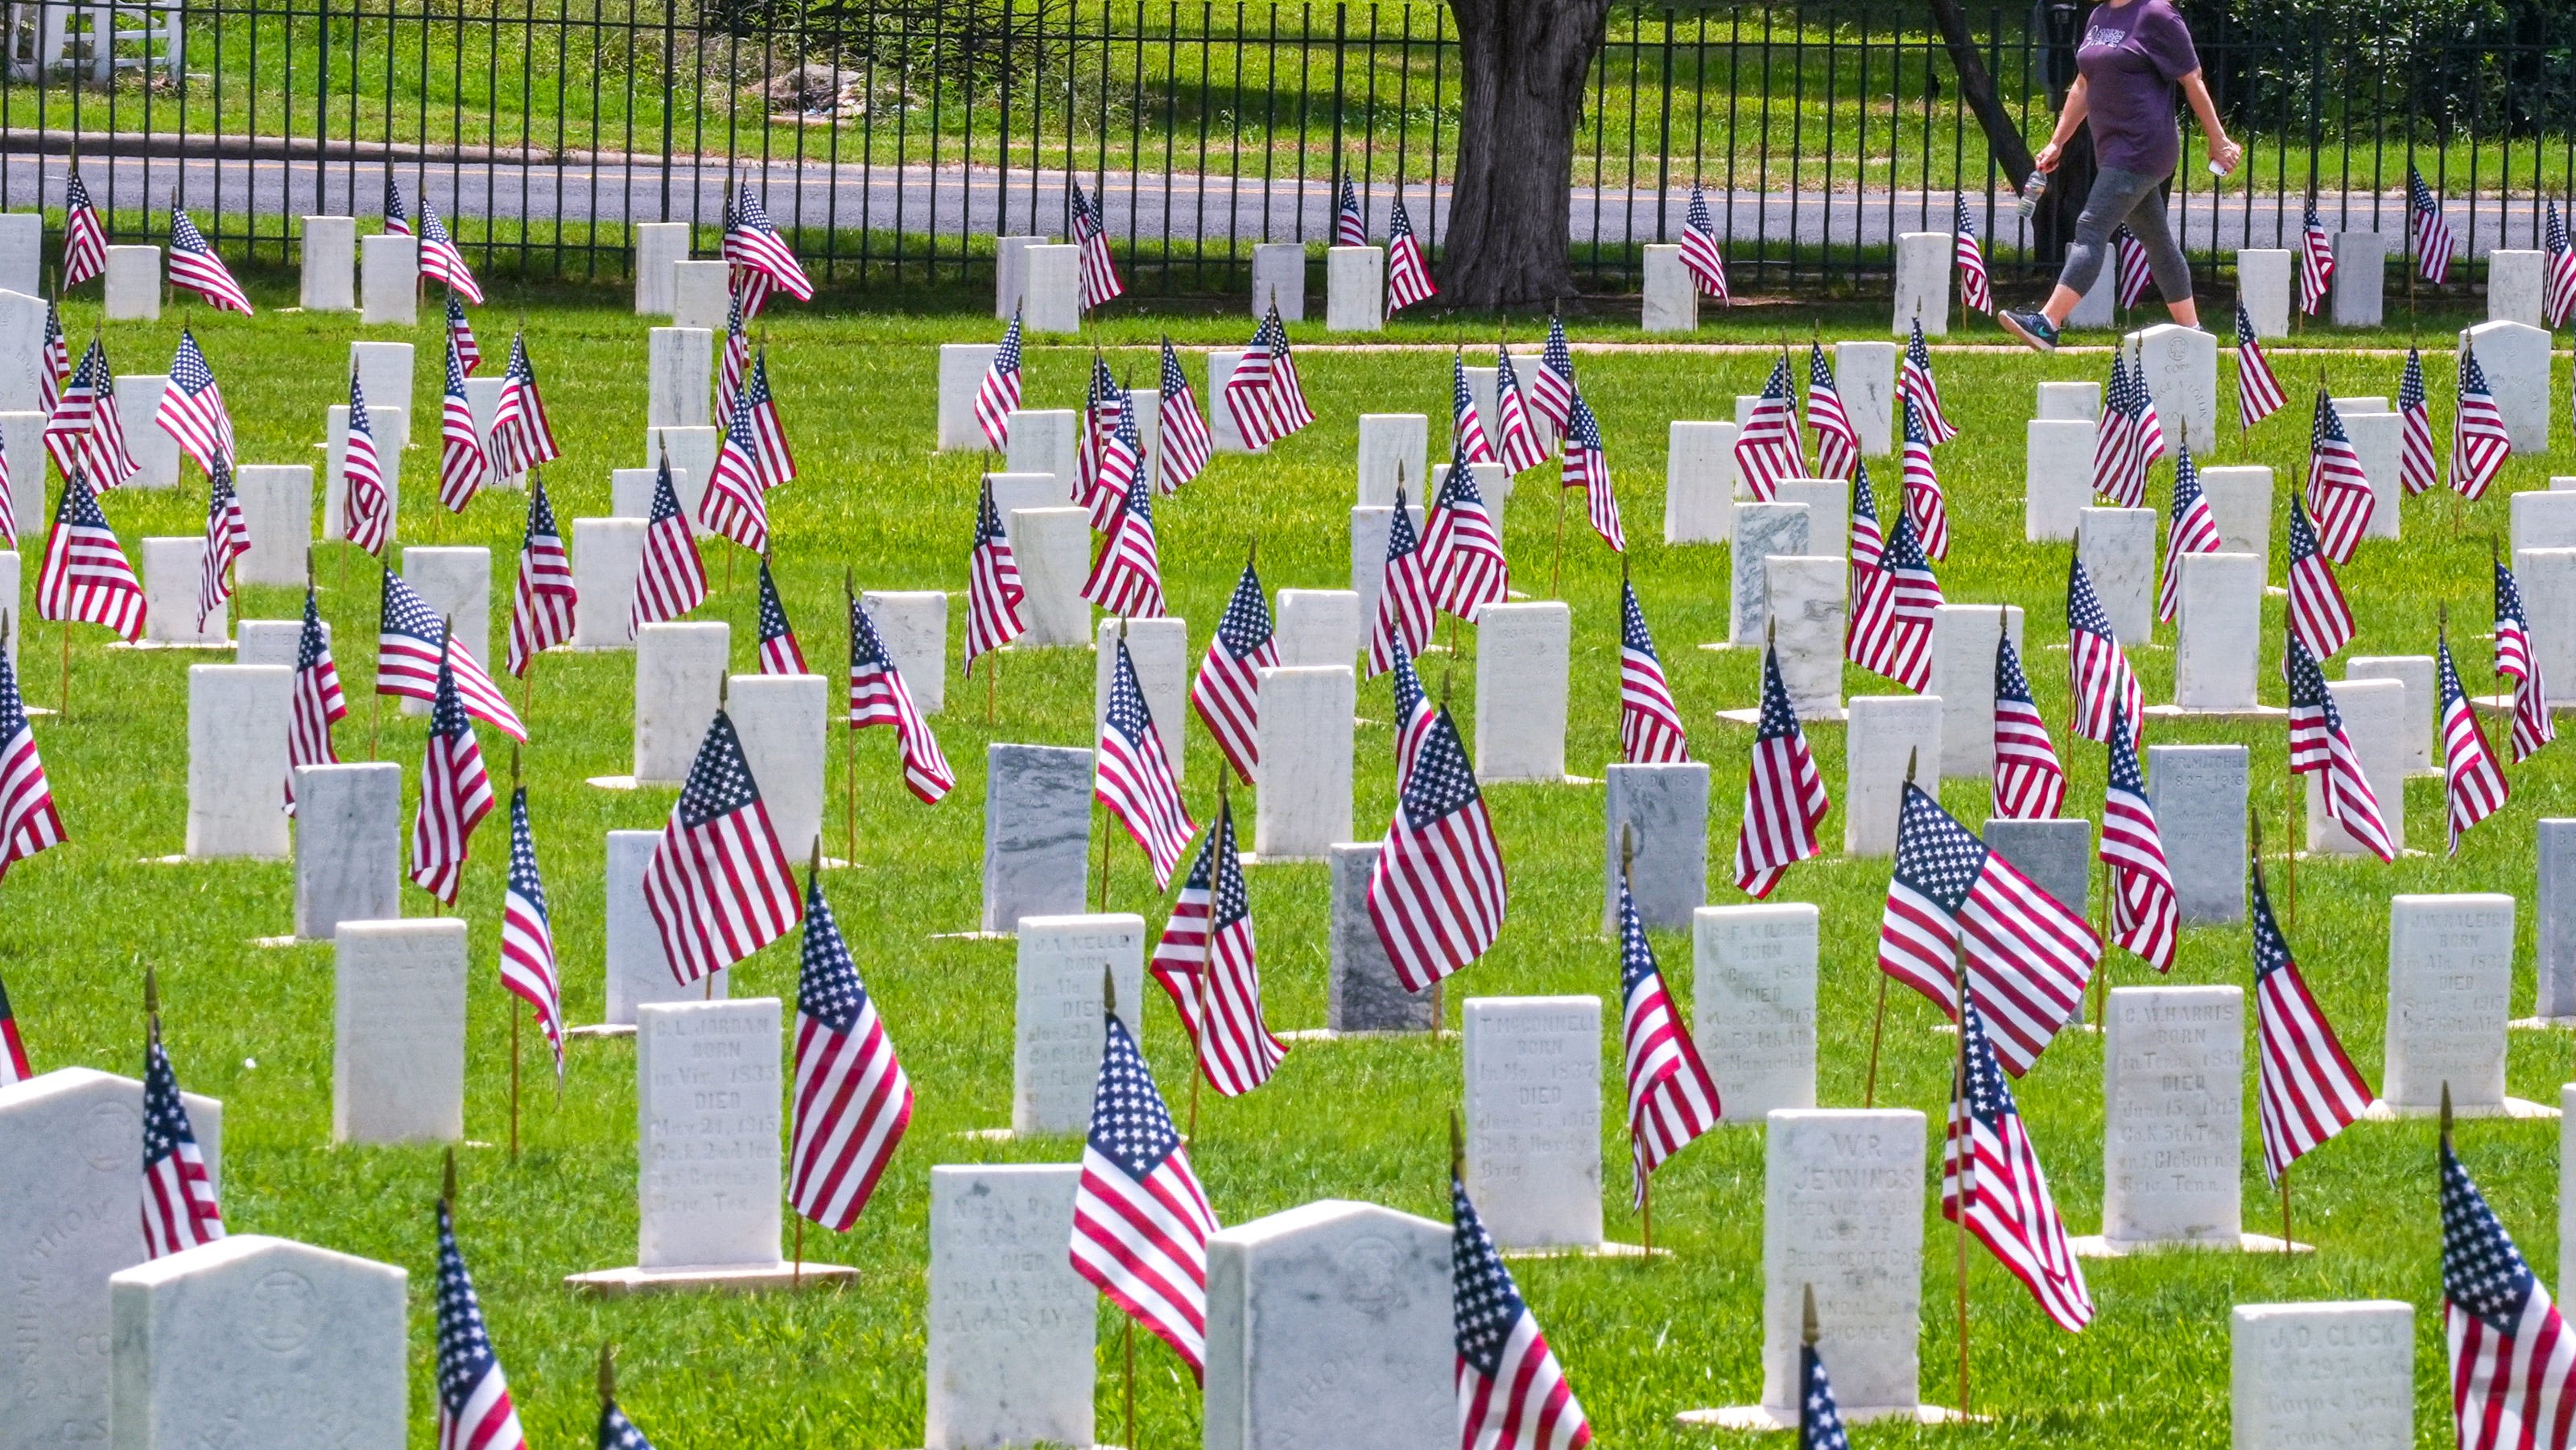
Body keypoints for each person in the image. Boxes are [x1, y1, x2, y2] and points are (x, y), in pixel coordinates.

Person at [1998, 0, 2243, 352]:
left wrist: (2218, 140)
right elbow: (2084, 83)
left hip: (2144, 147)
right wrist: (2057, 143)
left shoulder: (2157, 15)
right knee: (2158, 243)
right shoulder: (2099, 16)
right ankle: (2196, 334)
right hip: (2113, 150)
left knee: (2091, 228)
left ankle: (2048, 323)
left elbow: (2193, 80)